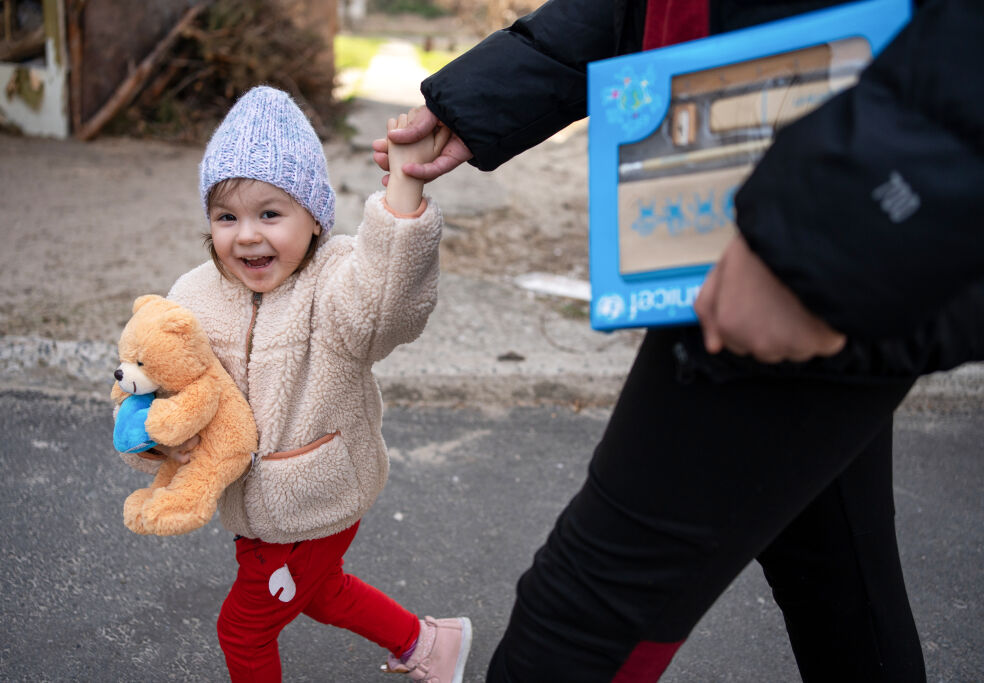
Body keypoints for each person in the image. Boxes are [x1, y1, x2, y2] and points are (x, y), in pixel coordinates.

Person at [373, 0, 984, 680]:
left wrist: (820, 232)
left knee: (575, 626)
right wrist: (491, 91)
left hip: (814, 220)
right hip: (774, 200)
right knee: (834, 576)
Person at [117, 86, 472, 682]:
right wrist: (158, 443)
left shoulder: (335, 284)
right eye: (226, 217)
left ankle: (425, 643)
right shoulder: (194, 292)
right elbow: (155, 382)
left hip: (313, 498)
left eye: (270, 213)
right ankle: (428, 644)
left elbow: (387, 306)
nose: (247, 235)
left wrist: (404, 192)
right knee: (323, 592)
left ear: (314, 216)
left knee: (244, 629)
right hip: (251, 505)